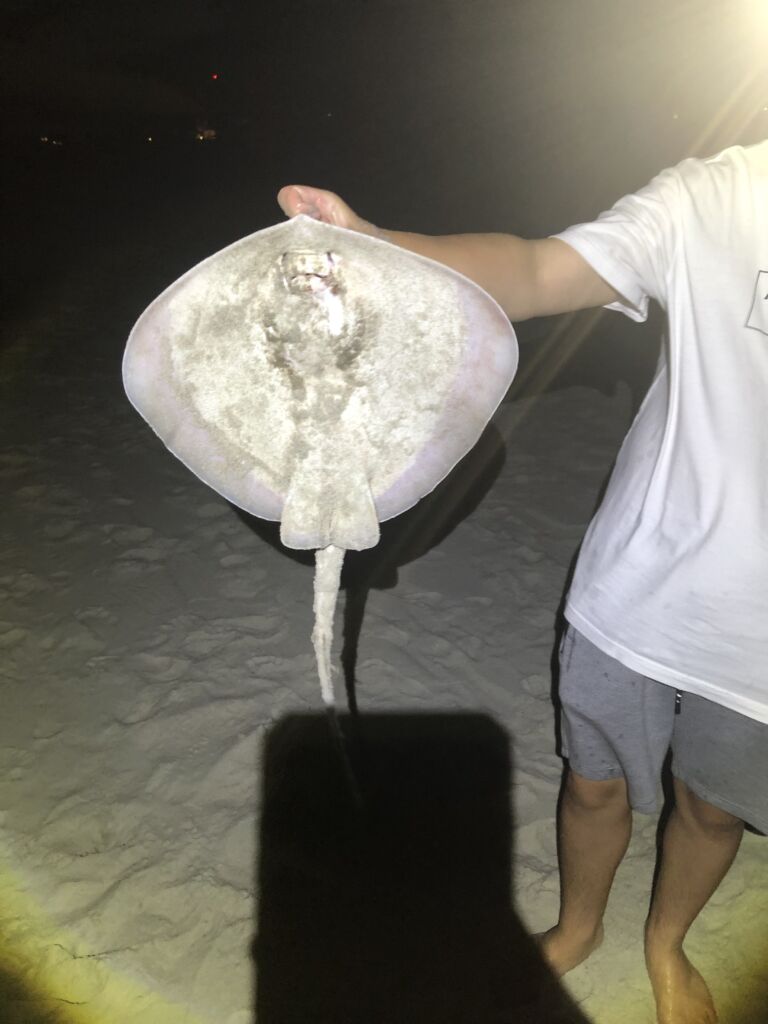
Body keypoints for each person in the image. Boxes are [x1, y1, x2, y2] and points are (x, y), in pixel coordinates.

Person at [277, 139, 768, 1024]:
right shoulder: (723, 192)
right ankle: (579, 927)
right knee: (592, 782)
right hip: (640, 589)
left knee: (712, 808)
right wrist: (378, 246)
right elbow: (538, 270)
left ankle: (665, 940)